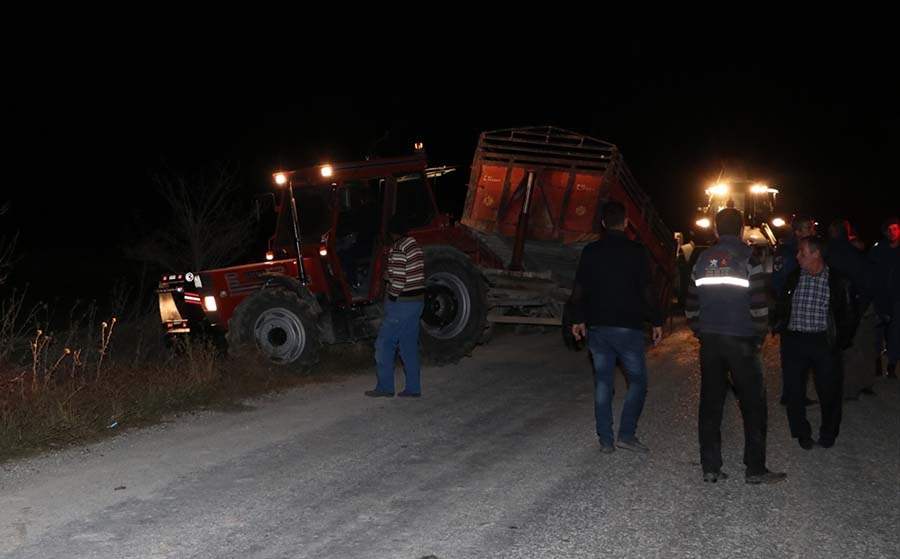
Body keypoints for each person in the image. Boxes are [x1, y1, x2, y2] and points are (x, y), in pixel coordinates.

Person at [684, 207, 786, 484]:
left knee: (711, 404)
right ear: (741, 230)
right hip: (741, 341)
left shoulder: (702, 259)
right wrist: (758, 336)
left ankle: (710, 467)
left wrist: (700, 332)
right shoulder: (749, 259)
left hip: (711, 342)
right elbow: (759, 305)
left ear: (715, 230)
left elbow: (691, 304)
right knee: (753, 405)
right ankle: (754, 469)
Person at [570, 200, 663, 454]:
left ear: (602, 223)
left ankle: (606, 440)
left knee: (603, 383)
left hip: (598, 328)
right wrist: (656, 320)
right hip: (628, 329)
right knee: (638, 382)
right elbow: (647, 290)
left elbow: (579, 289)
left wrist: (577, 319)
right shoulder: (637, 251)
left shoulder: (591, 251)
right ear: (625, 223)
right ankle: (626, 434)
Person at [773, 235, 858, 449]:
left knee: (829, 391)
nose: (798, 256)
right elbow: (781, 304)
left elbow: (848, 315)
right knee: (794, 391)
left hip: (823, 342)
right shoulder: (794, 278)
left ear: (816, 253)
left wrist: (839, 342)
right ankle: (802, 433)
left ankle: (828, 433)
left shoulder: (838, 281)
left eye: (802, 252)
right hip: (794, 341)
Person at [365, 214, 426, 398]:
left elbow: (399, 282)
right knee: (408, 346)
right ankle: (413, 388)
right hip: (417, 303)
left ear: (392, 232)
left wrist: (389, 293)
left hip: (402, 304)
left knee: (384, 344)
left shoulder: (398, 249)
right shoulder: (414, 246)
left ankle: (385, 387)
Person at [826, 219, 876, 399]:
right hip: (863, 305)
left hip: (847, 308)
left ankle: (849, 389)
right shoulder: (856, 253)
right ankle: (865, 383)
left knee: (848, 348)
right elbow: (869, 282)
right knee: (865, 344)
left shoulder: (830, 254)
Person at [772, 214, 818, 406]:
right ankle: (791, 394)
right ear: (797, 232)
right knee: (791, 355)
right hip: (791, 310)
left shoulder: (809, 250)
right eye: (808, 228)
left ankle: (794, 392)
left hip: (803, 309)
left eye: (812, 227)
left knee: (802, 355)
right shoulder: (788, 252)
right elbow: (779, 283)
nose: (813, 231)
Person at [869, 216, 900, 379]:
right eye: (889, 229)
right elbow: (871, 271)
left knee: (896, 332)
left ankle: (892, 365)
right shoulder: (878, 249)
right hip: (880, 296)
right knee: (877, 331)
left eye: (895, 228)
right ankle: (876, 363)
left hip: (897, 298)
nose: (892, 232)